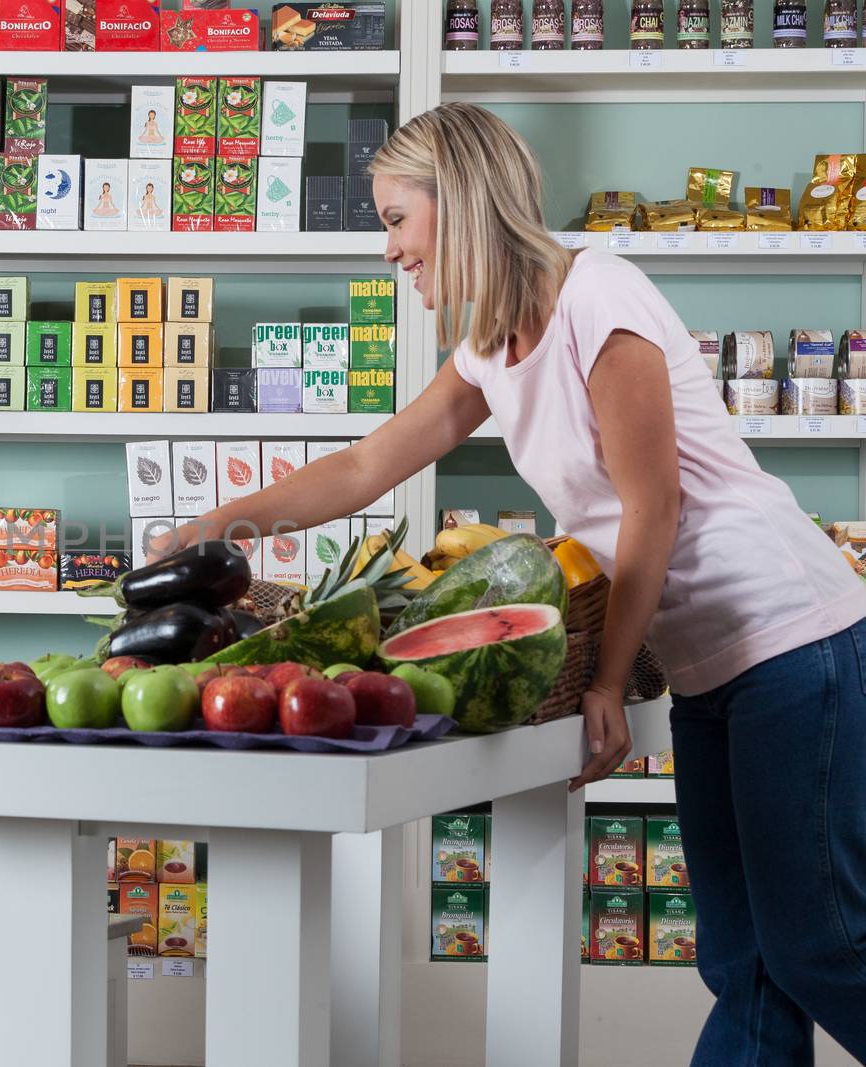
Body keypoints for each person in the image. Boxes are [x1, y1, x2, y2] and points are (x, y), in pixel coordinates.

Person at [150, 102, 866, 1063]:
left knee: (820, 947)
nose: (389, 249)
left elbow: (654, 509)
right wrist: (211, 526)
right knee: (742, 960)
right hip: (706, 664)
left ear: (464, 202)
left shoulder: (599, 299)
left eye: (397, 218)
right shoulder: (492, 345)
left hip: (792, 639)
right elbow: (368, 466)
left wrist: (607, 683)